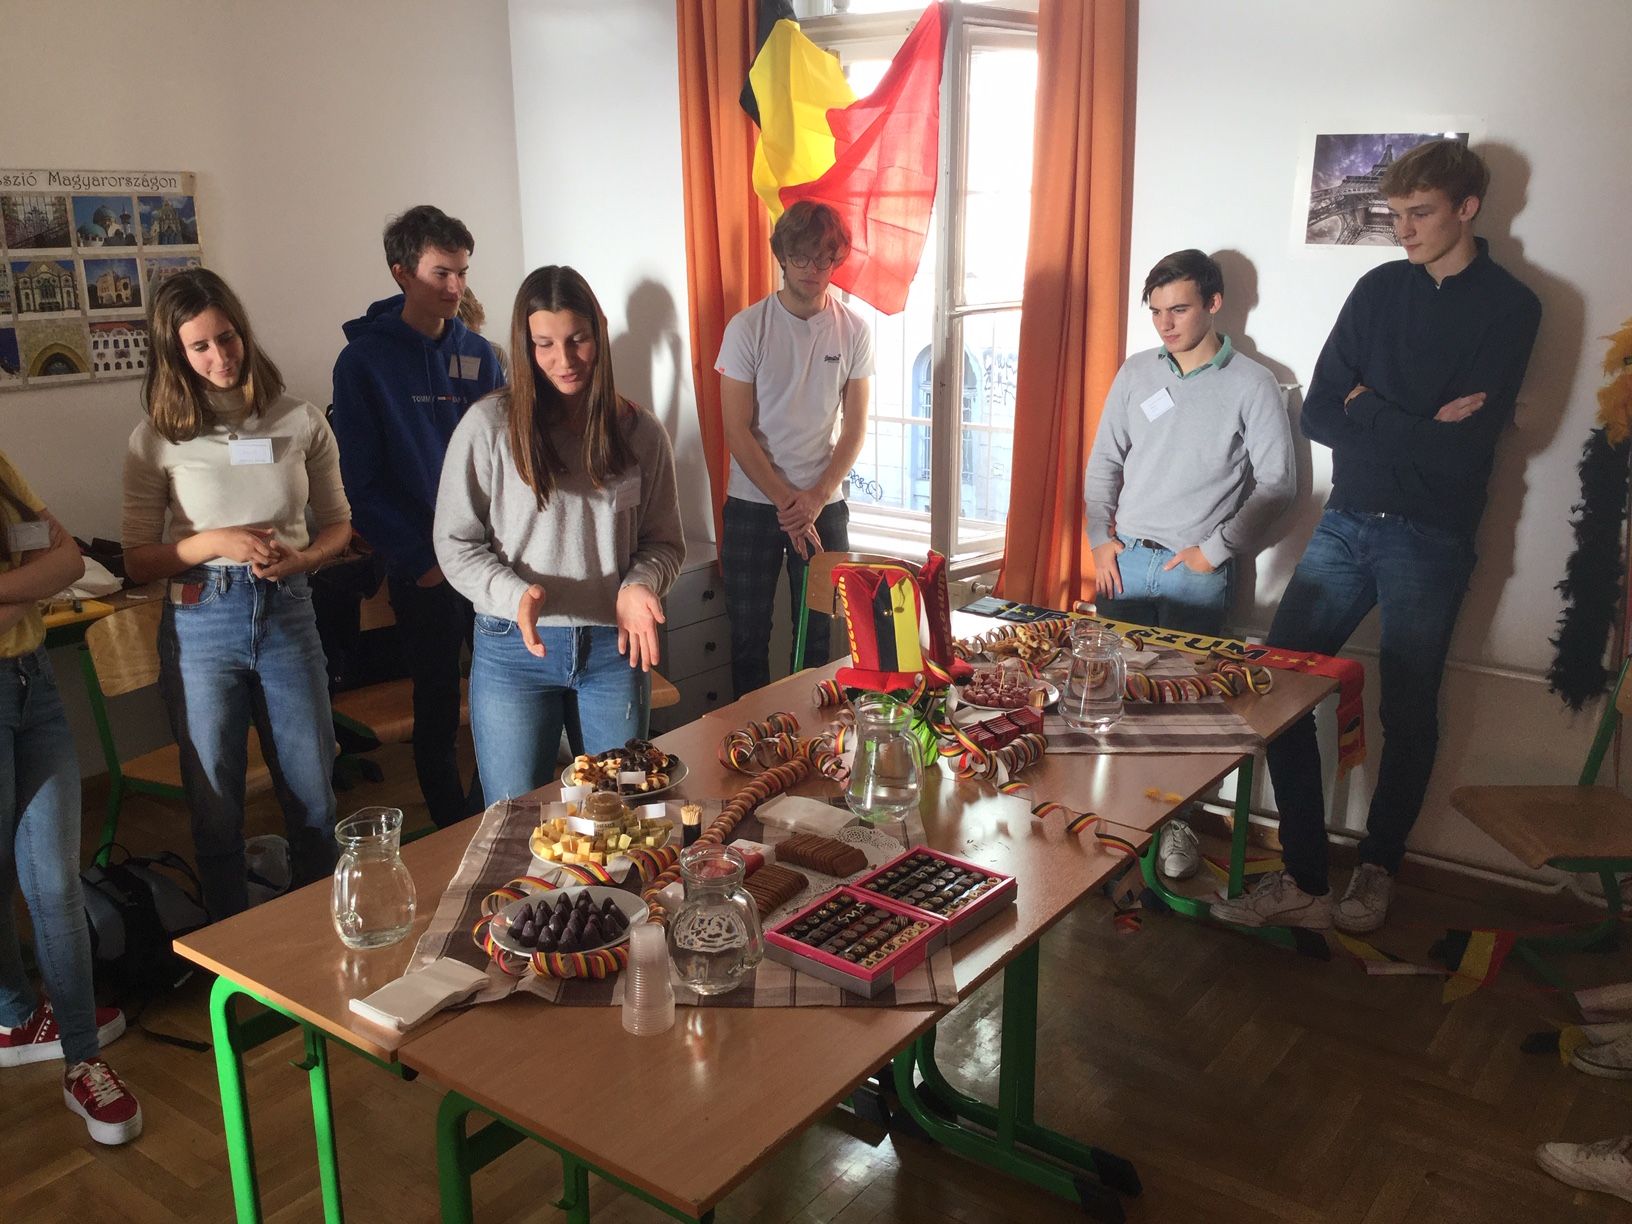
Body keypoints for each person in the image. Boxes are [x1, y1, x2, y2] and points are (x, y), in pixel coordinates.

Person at [1211, 140, 1542, 934]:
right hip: (1348, 519)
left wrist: (1372, 412)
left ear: (1468, 208)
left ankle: (1379, 867)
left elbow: (1467, 447)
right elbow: (1320, 412)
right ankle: (1304, 876)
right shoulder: (1378, 288)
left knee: (1410, 709)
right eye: (1396, 215)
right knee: (1277, 685)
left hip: (1432, 534)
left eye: (1420, 213)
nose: (1404, 230)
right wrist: (1415, 424)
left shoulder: (1513, 305)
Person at [124, 269, 353, 921]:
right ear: (175, 354)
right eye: (200, 346)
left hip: (288, 609)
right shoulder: (155, 438)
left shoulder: (298, 418)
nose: (220, 357)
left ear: (243, 332)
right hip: (202, 619)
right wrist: (213, 542)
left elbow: (339, 524)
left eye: (227, 338)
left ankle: (319, 938)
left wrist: (305, 557)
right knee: (216, 806)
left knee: (314, 797)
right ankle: (230, 952)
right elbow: (138, 560)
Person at [434, 266, 683, 802]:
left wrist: (640, 583)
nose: (564, 360)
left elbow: (663, 542)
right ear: (524, 346)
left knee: (621, 810)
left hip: (614, 648)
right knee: (515, 816)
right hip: (514, 647)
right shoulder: (488, 426)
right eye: (544, 344)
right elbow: (455, 542)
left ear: (599, 333)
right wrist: (511, 593)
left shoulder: (640, 432)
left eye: (578, 339)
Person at [1084, 249, 1294, 879]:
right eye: (1155, 312)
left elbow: (1278, 484)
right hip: (1125, 561)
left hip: (1194, 571)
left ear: (1214, 303)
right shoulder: (1136, 372)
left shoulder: (1253, 383)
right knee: (1108, 697)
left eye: (1178, 309)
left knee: (1185, 711)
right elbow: (1104, 462)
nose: (1165, 324)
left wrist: (1215, 551)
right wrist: (1099, 538)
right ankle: (1112, 820)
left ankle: (1177, 825)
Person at [331, 205, 504, 827]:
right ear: (402, 273)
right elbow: (362, 483)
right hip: (425, 566)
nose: (455, 287)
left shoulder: (480, 354)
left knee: (502, 694)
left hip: (492, 563)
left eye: (462, 272)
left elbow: (505, 458)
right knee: (436, 699)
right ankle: (450, 825)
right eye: (441, 274)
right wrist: (423, 561)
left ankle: (494, 807)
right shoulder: (363, 363)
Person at [0, 453, 142, 1144]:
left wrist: (22, 590)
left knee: (55, 882)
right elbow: (48, 570)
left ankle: (82, 1060)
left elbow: (69, 562)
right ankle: (14, 1015)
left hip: (33, 683)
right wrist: (29, 588)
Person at [717, 200, 873, 697]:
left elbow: (855, 427)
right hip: (753, 502)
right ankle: (751, 734)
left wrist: (815, 499)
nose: (812, 269)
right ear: (782, 256)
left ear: (836, 260)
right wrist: (789, 503)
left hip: (824, 504)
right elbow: (737, 429)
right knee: (748, 637)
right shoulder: (747, 327)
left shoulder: (854, 330)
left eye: (823, 258)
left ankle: (809, 733)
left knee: (817, 638)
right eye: (801, 257)